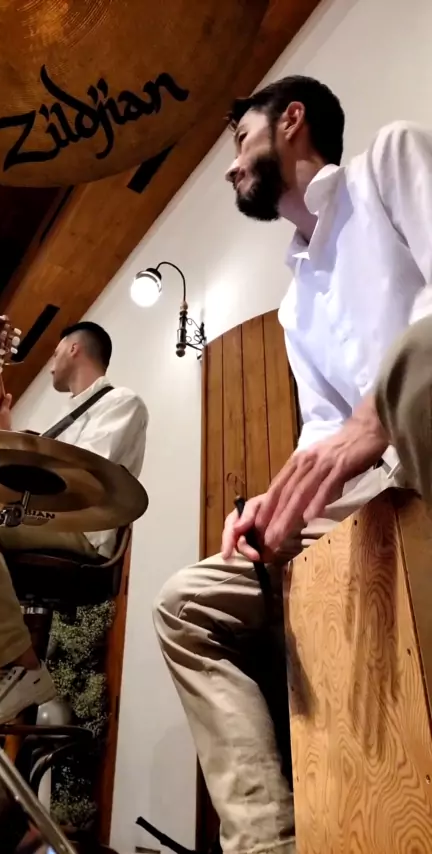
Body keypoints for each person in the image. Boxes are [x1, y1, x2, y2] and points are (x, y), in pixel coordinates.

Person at [154, 75, 432, 854]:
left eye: (241, 139)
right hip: (380, 494)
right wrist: (269, 512)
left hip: (426, 440)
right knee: (187, 604)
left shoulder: (390, 161)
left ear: (292, 121)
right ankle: (265, 844)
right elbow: (323, 437)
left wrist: (379, 410)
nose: (230, 165)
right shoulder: (293, 305)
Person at [0, 321, 148, 728]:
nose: (51, 362)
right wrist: (1, 436)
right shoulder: (69, 416)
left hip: (80, 535)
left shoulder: (122, 402)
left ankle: (18, 665)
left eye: (55, 351)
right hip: (47, 523)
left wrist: (14, 449)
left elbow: (79, 485)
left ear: (74, 348)